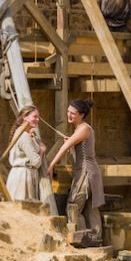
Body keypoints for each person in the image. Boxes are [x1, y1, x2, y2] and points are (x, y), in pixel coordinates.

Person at [47, 99, 105, 247]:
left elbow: (64, 147)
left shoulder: (84, 128)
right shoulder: (81, 130)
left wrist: (51, 165)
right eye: (68, 112)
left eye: (72, 113)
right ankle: (93, 239)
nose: (69, 115)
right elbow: (76, 147)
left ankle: (82, 239)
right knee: (89, 208)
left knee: (73, 205)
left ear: (81, 115)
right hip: (89, 172)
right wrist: (71, 141)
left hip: (86, 172)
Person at [5, 105, 47, 201]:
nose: (37, 119)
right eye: (34, 116)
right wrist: (41, 151)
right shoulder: (24, 136)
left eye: (38, 117)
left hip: (21, 174)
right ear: (25, 117)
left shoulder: (23, 133)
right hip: (23, 178)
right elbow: (36, 162)